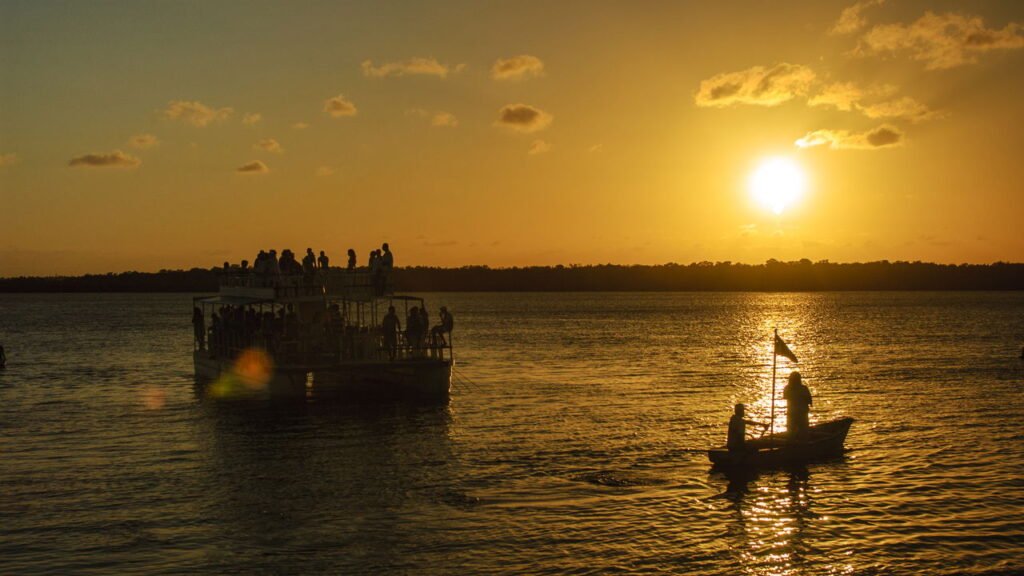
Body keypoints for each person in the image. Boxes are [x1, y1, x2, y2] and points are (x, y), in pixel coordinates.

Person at [783, 371, 813, 441]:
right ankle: (802, 442)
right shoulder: (803, 388)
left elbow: (785, 396)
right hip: (801, 412)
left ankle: (792, 442)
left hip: (792, 413)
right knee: (803, 431)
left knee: (791, 431)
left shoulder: (787, 388)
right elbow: (809, 400)